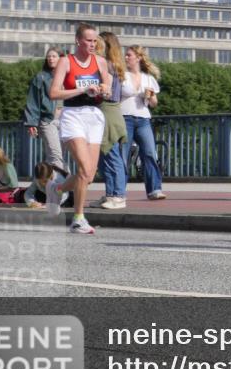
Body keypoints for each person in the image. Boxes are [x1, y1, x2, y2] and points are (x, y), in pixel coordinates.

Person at [46, 22, 112, 234]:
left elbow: (108, 88)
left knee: (89, 175)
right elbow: (54, 93)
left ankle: (56, 188)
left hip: (94, 116)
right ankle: (78, 219)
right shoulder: (66, 62)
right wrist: (82, 88)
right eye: (88, 40)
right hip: (73, 115)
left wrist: (103, 90)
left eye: (95, 41)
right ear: (78, 40)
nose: (92, 44)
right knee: (84, 169)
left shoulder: (101, 62)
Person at [120, 45, 167, 201]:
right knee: (123, 156)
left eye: (129, 55)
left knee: (149, 153)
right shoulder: (121, 75)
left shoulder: (148, 78)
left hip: (143, 119)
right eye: (125, 55)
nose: (126, 58)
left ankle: (154, 189)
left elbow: (154, 103)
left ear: (138, 58)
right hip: (124, 117)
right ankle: (119, 191)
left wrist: (150, 95)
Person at [96, 32, 129, 209]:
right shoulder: (115, 65)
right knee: (106, 156)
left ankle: (118, 195)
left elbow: (106, 92)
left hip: (108, 110)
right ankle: (111, 194)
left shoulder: (107, 65)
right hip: (110, 110)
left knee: (111, 155)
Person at [23, 48, 65, 171]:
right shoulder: (41, 77)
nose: (51, 59)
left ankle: (38, 187)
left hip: (66, 120)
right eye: (49, 56)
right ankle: (60, 188)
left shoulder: (68, 76)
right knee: (56, 156)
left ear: (61, 58)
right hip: (48, 120)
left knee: (54, 157)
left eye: (54, 56)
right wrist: (31, 123)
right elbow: (33, 101)